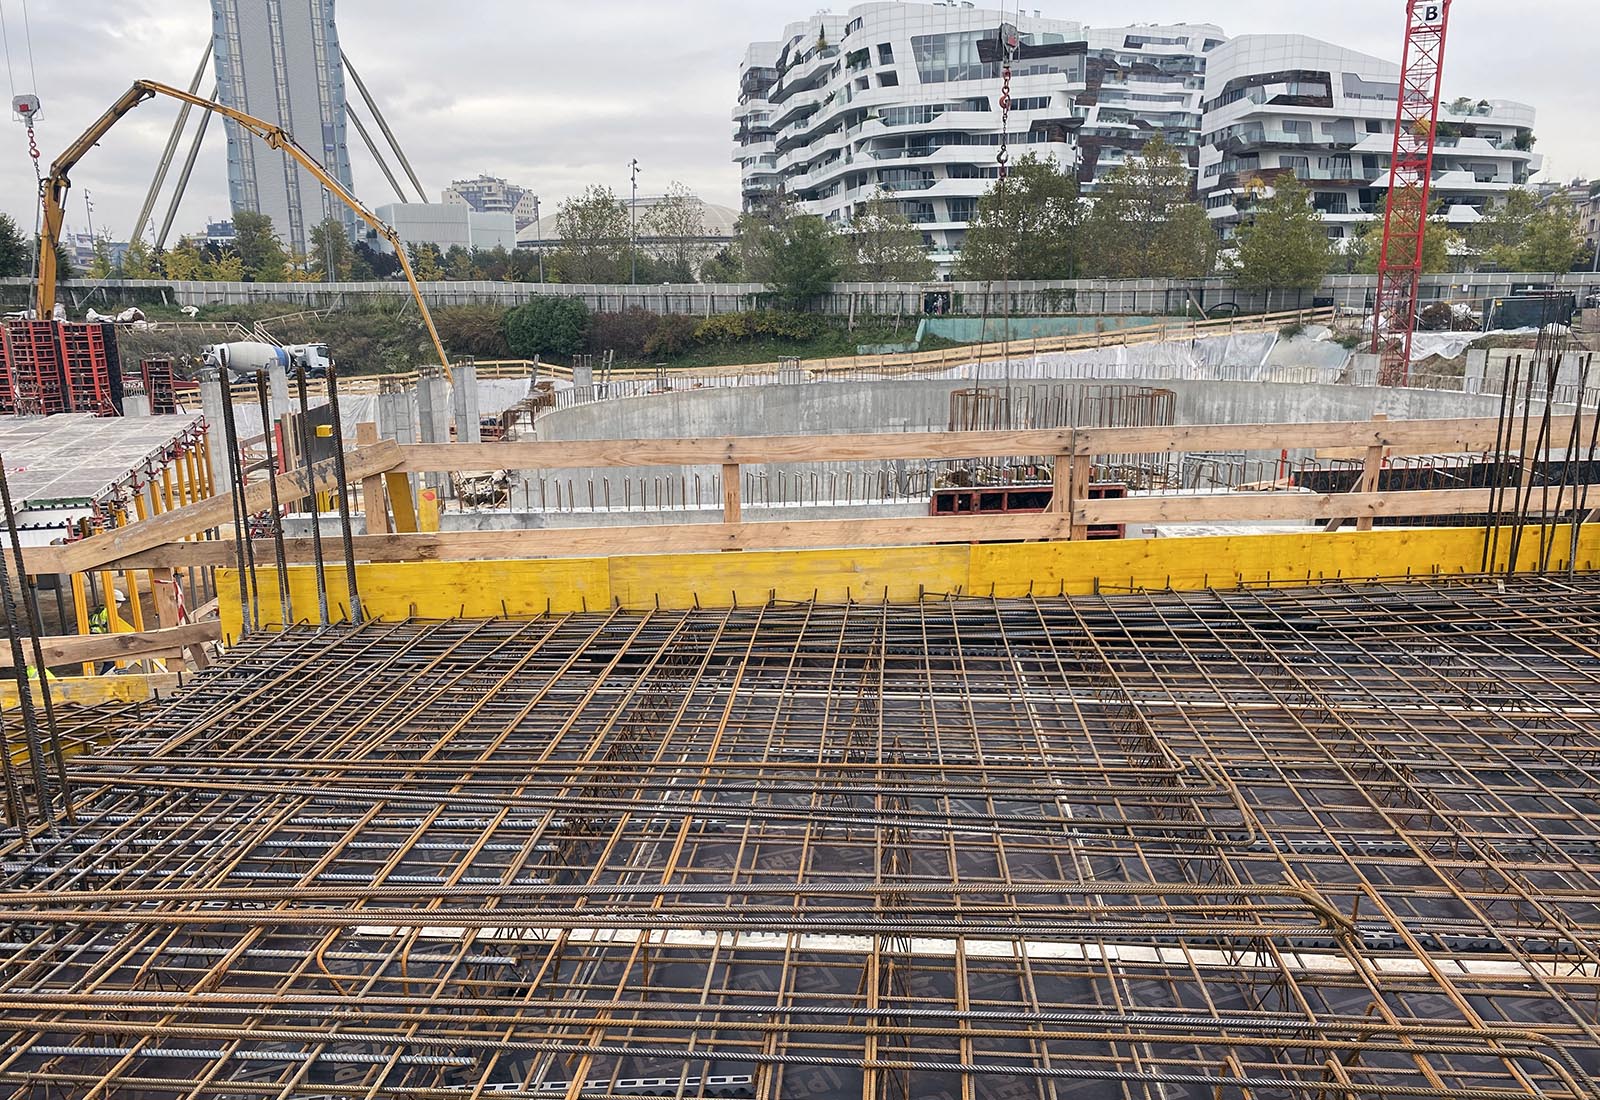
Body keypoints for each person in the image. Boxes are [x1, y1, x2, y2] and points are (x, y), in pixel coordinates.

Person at [90, 589, 128, 674]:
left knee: (109, 661)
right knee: (110, 662)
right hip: (100, 638)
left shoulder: (100, 609)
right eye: (118, 602)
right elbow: (110, 628)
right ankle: (103, 679)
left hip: (94, 637)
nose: (119, 604)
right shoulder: (109, 612)